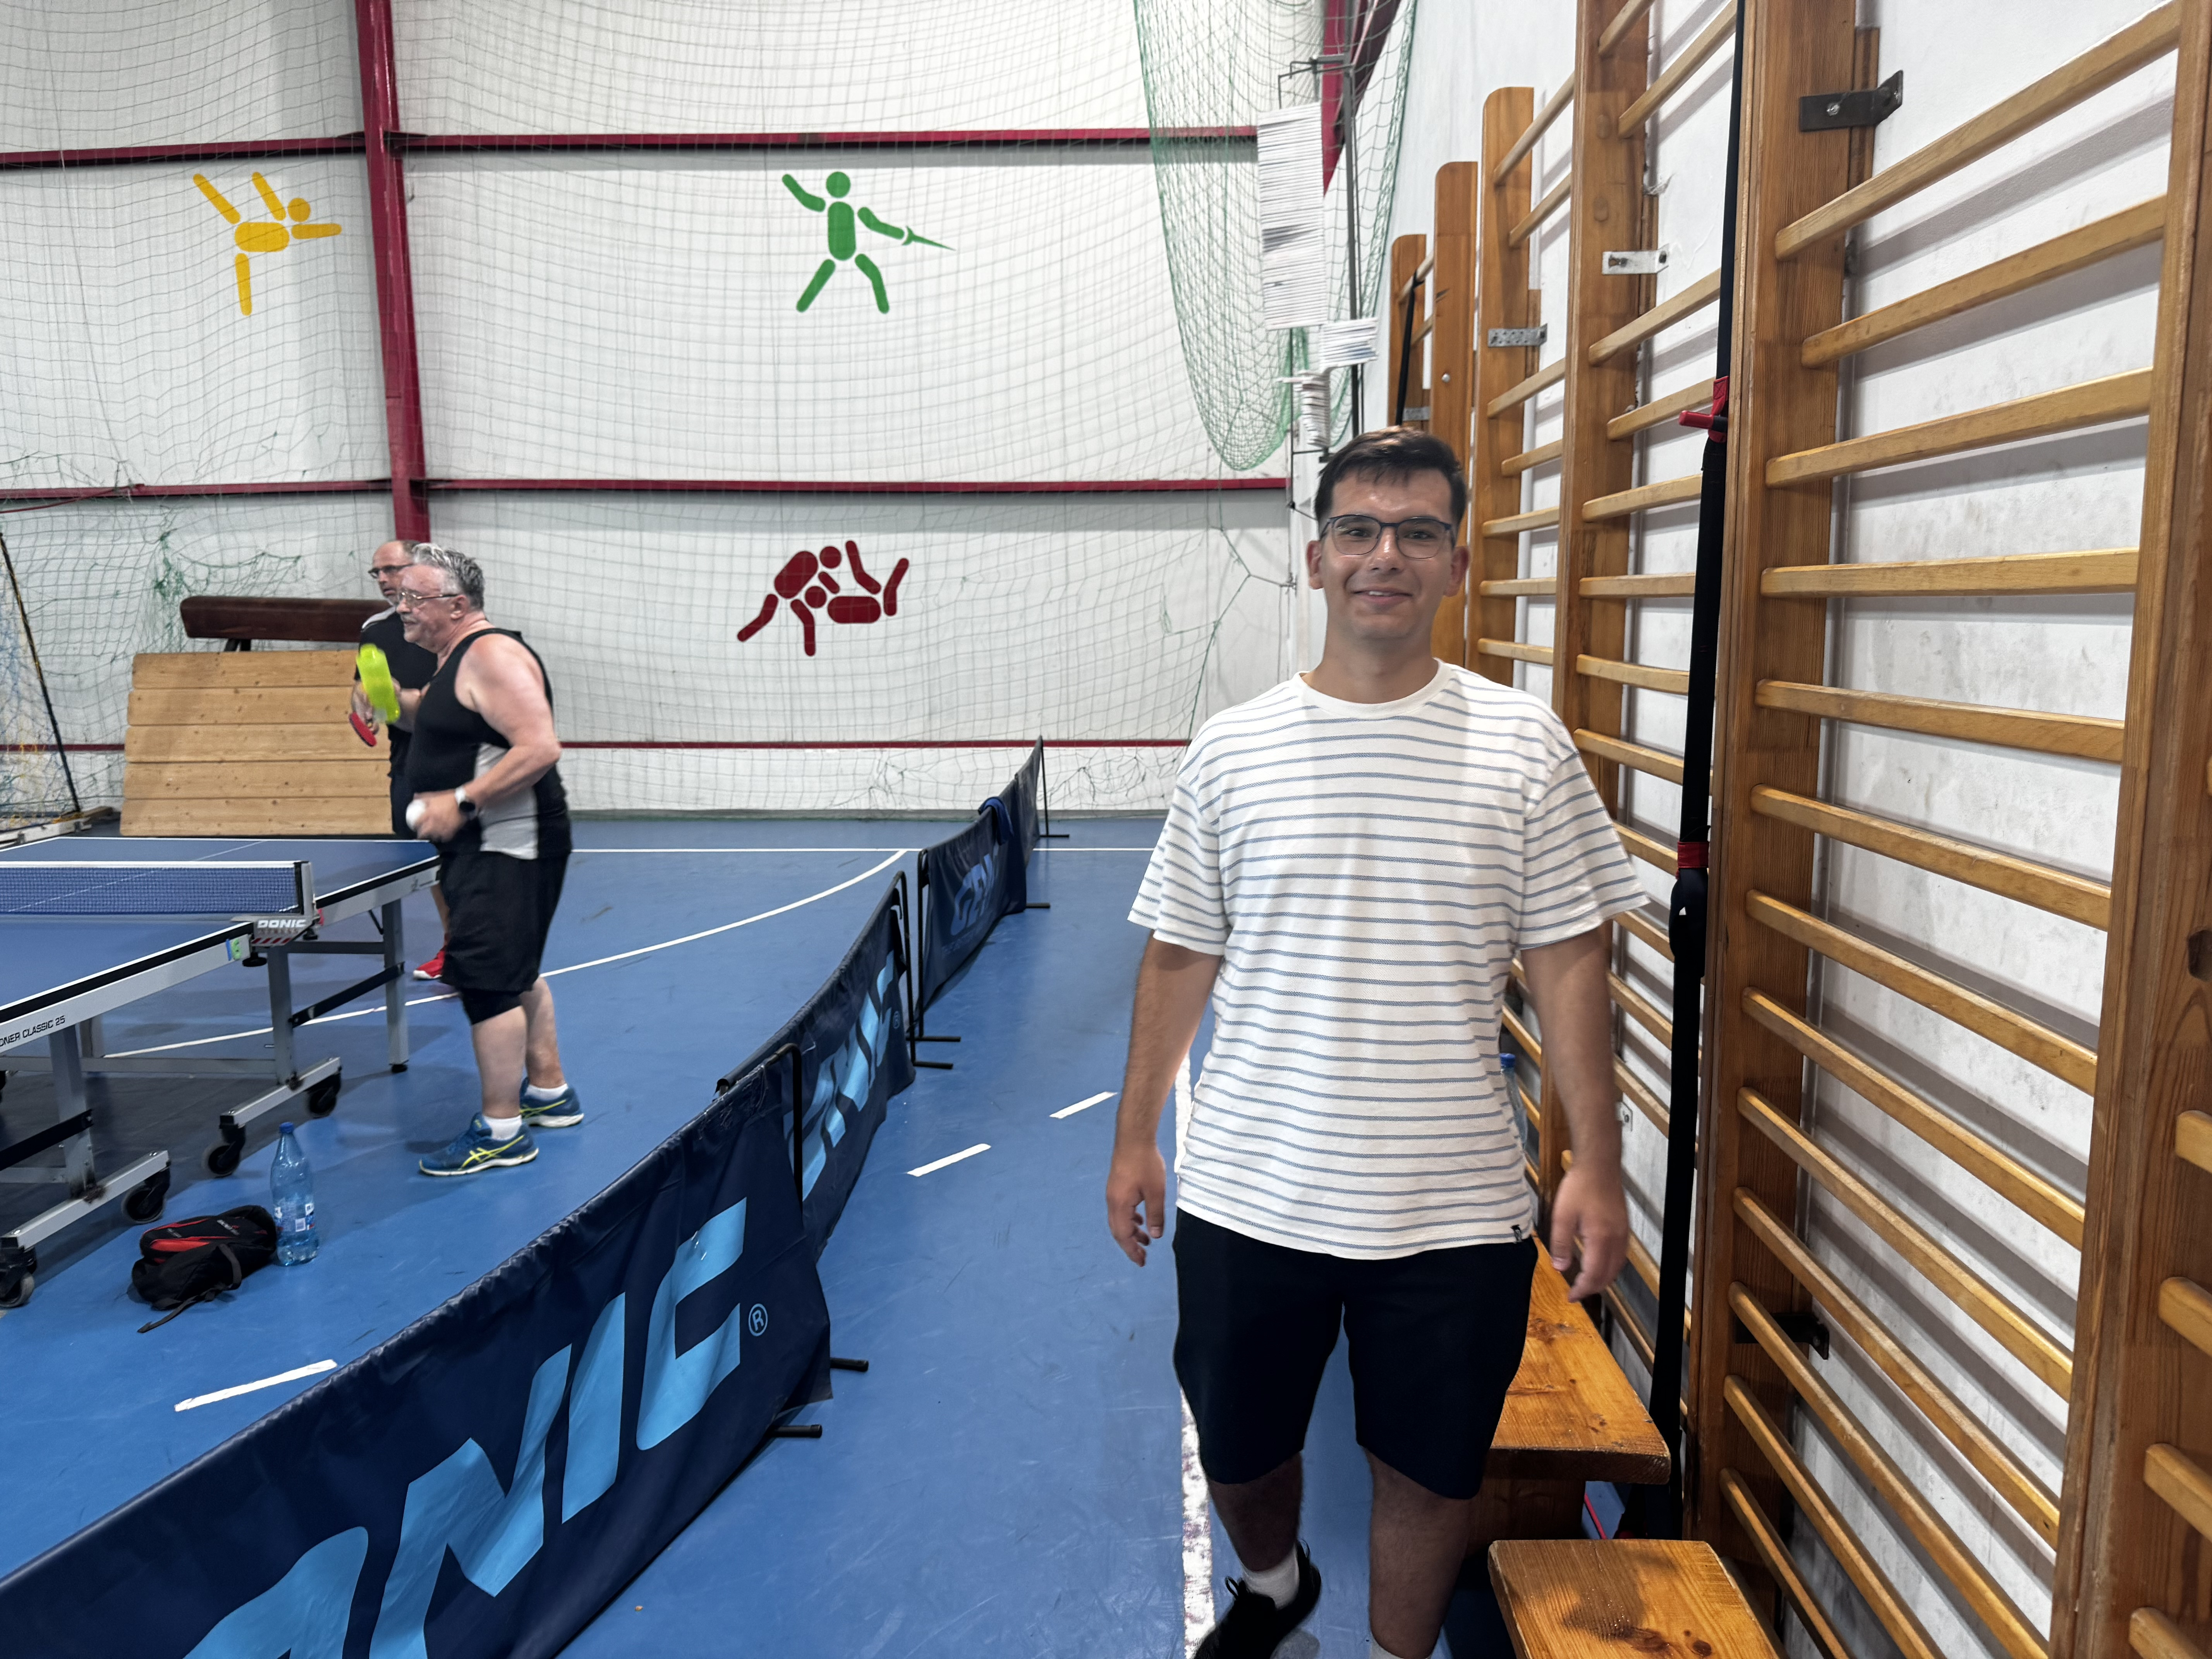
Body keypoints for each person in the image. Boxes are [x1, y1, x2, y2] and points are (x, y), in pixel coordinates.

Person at [1107, 428, 1640, 1659]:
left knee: (1427, 1471)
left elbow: (1570, 965)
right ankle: (1274, 1584)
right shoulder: (1231, 750)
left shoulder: (1525, 747)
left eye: (1415, 532)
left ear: (1457, 563)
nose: (1382, 555)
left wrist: (1598, 1165)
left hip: (1451, 1206)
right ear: (1317, 558)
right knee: (1238, 1449)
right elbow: (1178, 956)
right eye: (1356, 529)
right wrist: (1135, 1138)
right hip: (1250, 1190)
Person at [391, 544, 583, 1176]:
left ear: (457, 604)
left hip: (507, 842)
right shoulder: (455, 658)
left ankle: (502, 1131)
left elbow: (539, 747)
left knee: (485, 981)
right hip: (488, 844)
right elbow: (445, 717)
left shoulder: (492, 654)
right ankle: (549, 1094)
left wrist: (461, 802)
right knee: (514, 970)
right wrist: (391, 702)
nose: (401, 606)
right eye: (398, 594)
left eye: (414, 597)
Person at [352, 540, 450, 979]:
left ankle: (474, 944)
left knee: (463, 859)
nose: (384, 579)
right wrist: (362, 702)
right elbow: (364, 685)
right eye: (377, 572)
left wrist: (406, 699)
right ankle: (454, 943)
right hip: (408, 761)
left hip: (459, 758)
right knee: (431, 861)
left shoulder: (451, 621)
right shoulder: (376, 630)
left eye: (392, 569)